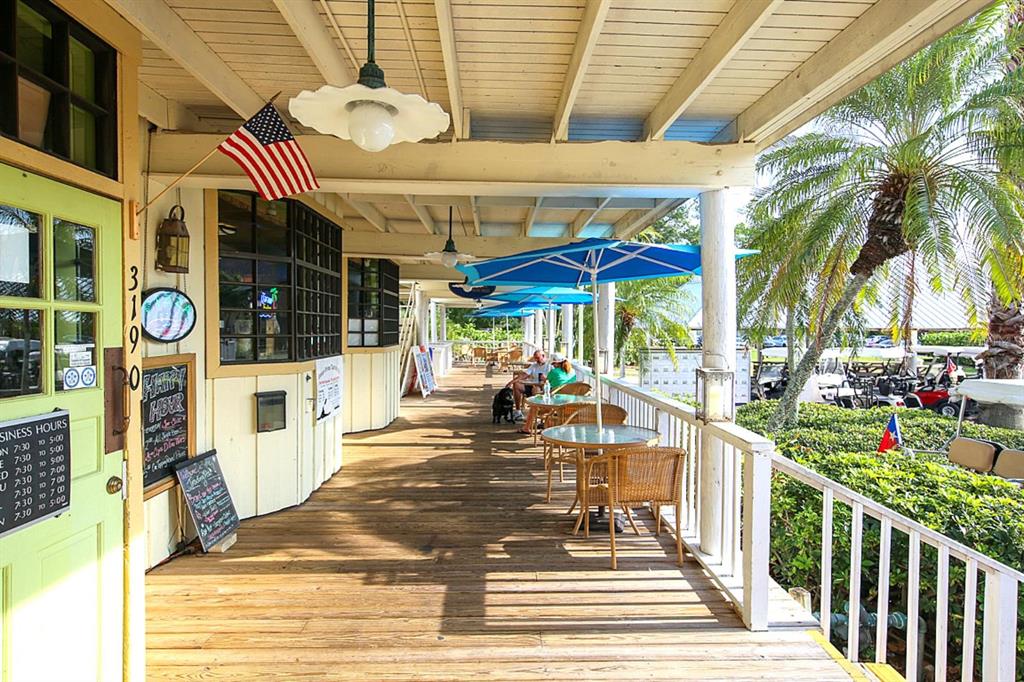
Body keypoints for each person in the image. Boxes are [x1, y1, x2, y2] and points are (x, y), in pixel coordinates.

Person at [508, 350, 548, 423]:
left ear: (543, 356)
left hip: (544, 387)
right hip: (532, 385)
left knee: (536, 390)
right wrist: (512, 381)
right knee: (517, 385)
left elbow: (553, 380)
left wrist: (545, 379)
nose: (536, 360)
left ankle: (536, 415)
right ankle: (518, 411)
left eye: (538, 358)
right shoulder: (534, 365)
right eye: (535, 358)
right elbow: (524, 375)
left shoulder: (550, 366)